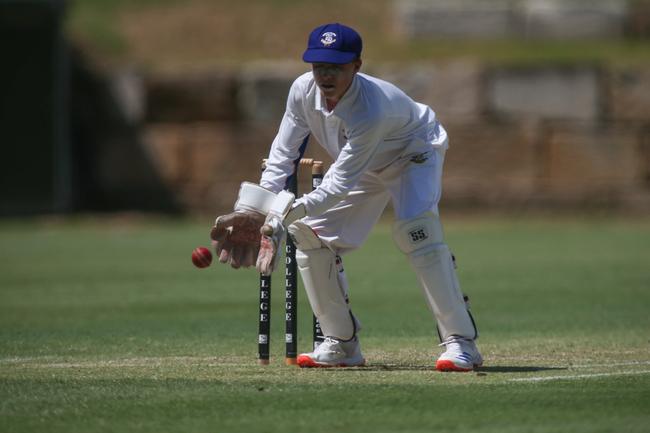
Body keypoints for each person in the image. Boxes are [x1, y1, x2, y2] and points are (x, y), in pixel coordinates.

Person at [211, 23, 482, 372]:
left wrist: (278, 216)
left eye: (336, 67)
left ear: (357, 65)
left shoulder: (371, 109)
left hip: (413, 152)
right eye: (319, 65)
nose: (326, 74)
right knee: (309, 234)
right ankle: (341, 343)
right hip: (364, 165)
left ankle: (461, 342)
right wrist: (255, 209)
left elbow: (338, 183)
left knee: (419, 232)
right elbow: (282, 154)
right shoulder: (301, 91)